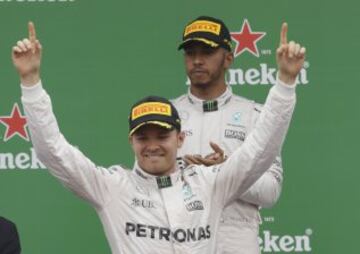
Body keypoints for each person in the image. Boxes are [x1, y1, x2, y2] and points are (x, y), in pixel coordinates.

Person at [12, 21, 302, 253]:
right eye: (142, 137)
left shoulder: (211, 182)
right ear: (131, 142)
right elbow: (53, 151)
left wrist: (286, 84)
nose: (152, 145)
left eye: (161, 136)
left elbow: (261, 150)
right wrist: (31, 83)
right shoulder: (114, 186)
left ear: (179, 139)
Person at [172, 16, 305, 253]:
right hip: (178, 239)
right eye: (190, 53)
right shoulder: (166, 116)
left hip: (235, 241)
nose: (197, 60)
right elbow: (146, 187)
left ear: (228, 59)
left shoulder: (254, 116)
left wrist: (227, 169)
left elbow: (271, 192)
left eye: (207, 52)